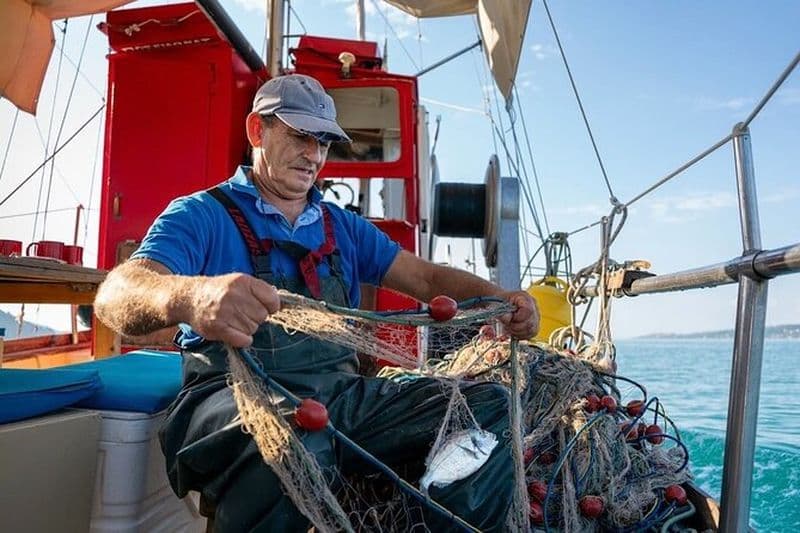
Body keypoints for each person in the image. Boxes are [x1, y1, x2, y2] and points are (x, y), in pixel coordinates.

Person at [95, 74, 538, 532]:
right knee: (289, 440)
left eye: (324, 141)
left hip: (342, 398)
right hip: (230, 397)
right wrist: (192, 296)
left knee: (489, 406)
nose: (314, 154)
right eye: (301, 135)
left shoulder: (342, 226)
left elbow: (426, 277)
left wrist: (503, 299)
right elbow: (118, 294)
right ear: (256, 131)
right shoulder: (200, 214)